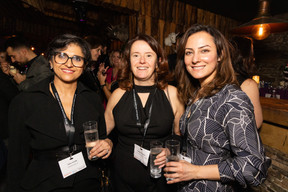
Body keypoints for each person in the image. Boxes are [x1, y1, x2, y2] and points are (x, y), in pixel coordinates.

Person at [164, 24, 271, 191]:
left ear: (220, 55)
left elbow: (254, 167)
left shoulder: (232, 98)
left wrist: (195, 172)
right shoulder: (198, 93)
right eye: (189, 52)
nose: (195, 59)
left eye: (204, 50)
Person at [6, 34, 113, 192]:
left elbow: (102, 137)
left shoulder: (92, 99)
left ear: (84, 65)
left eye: (77, 58)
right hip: (44, 183)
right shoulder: (25, 102)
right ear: (50, 60)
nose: (69, 64)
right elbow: (16, 160)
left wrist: (108, 144)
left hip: (88, 181)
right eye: (62, 56)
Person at [105, 34, 184, 192]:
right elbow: (102, 132)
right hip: (122, 180)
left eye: (149, 55)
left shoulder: (173, 94)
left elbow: (180, 135)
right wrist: (107, 142)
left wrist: (169, 150)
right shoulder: (118, 94)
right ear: (129, 61)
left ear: (158, 62)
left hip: (161, 180)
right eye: (136, 55)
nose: (142, 61)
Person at [230, 36, 263, 129]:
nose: (253, 58)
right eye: (251, 54)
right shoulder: (248, 84)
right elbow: (256, 122)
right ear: (243, 56)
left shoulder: (217, 78)